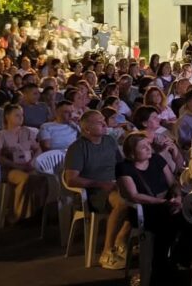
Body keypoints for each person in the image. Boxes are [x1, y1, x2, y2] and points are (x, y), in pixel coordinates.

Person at [63, 109, 127, 270]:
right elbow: (71, 179)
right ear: (86, 129)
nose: (105, 124)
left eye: (103, 120)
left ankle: (121, 238)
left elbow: (121, 165)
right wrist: (100, 184)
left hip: (114, 185)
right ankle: (107, 250)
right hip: (93, 192)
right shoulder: (77, 148)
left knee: (144, 197)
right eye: (99, 122)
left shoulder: (109, 141)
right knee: (123, 202)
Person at [115, 133, 182, 276]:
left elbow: (173, 183)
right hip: (143, 209)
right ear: (132, 154)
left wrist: (178, 197)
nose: (148, 148)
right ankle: (160, 264)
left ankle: (177, 259)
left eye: (148, 145)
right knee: (168, 221)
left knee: (189, 217)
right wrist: (162, 202)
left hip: (166, 204)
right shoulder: (124, 168)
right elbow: (134, 195)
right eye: (143, 147)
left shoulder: (157, 159)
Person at [0, 104, 49, 223]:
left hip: (28, 166)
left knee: (42, 179)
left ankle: (37, 212)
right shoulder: (1, 135)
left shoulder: (27, 132)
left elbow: (38, 149)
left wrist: (32, 161)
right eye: (17, 115)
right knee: (25, 179)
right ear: (7, 117)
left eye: (22, 115)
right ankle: (19, 215)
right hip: (10, 169)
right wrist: (15, 165)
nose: (21, 118)